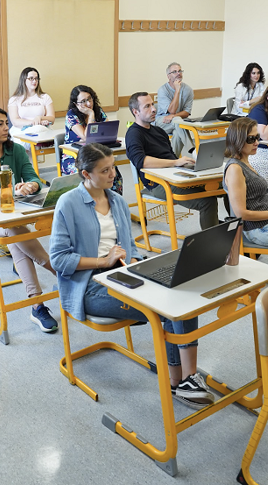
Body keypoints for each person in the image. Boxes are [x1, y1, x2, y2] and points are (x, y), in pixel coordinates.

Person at [49, 143, 215, 409]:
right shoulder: (68, 203)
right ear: (85, 174)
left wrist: (136, 263)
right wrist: (104, 261)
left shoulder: (115, 200)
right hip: (88, 286)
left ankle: (186, 378)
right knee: (166, 310)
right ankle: (180, 381)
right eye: (104, 171)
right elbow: (58, 259)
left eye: (113, 167)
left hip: (122, 275)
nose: (113, 174)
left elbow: (131, 246)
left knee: (181, 294)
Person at [0, 106, 59, 333]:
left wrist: (30, 185)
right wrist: (11, 190)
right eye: (0, 123)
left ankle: (37, 304)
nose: (6, 127)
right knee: (16, 233)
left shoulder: (15, 149)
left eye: (7, 122)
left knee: (17, 237)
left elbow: (34, 176)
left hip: (9, 214)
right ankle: (60, 272)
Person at [125, 92, 219, 230]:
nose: (153, 109)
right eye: (147, 106)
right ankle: (214, 245)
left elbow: (170, 157)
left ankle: (238, 234)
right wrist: (176, 163)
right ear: (135, 112)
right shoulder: (133, 134)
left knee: (226, 186)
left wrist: (185, 166)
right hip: (158, 184)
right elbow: (141, 161)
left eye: (152, 104)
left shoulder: (159, 131)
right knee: (208, 201)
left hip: (176, 175)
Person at [223, 118, 268, 246]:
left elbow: (255, 199)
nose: (257, 142)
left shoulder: (244, 163)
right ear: (238, 140)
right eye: (251, 139)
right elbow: (241, 213)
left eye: (257, 137)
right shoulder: (235, 169)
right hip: (261, 230)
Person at [60, 85, 123, 195]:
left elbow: (108, 129)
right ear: (76, 104)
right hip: (75, 157)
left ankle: (113, 202)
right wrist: (90, 115)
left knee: (113, 173)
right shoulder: (71, 115)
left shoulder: (99, 111)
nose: (88, 104)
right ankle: (92, 203)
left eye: (89, 99)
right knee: (90, 175)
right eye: (83, 101)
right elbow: (86, 137)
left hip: (96, 154)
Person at [155, 62, 195, 156]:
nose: (178, 73)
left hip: (177, 122)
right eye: (175, 71)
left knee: (177, 132)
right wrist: (177, 90)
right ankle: (192, 150)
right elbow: (171, 111)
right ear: (168, 76)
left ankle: (173, 159)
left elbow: (187, 112)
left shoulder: (188, 89)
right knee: (178, 121)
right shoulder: (163, 90)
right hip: (162, 122)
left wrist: (174, 116)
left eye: (180, 71)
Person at [7, 67, 55, 140]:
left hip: (42, 130)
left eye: (36, 78)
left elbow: (51, 118)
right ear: (23, 80)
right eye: (31, 78)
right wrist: (34, 122)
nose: (34, 81)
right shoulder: (14, 99)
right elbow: (15, 121)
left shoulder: (45, 97)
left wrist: (40, 117)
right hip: (21, 131)